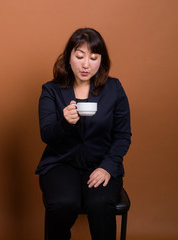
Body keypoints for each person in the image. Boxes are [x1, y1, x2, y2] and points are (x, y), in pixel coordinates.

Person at [36, 28, 131, 240]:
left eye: (93, 58)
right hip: (60, 163)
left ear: (101, 61)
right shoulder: (51, 90)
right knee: (63, 203)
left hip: (101, 163)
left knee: (99, 204)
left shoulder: (114, 89)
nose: (86, 64)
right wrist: (64, 122)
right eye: (79, 56)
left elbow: (123, 135)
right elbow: (47, 134)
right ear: (68, 57)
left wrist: (108, 167)